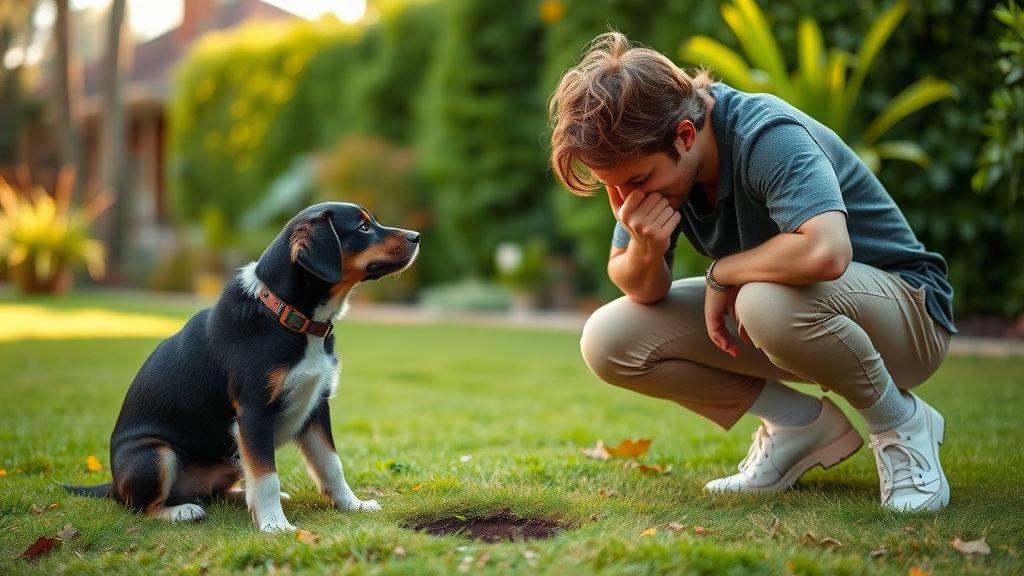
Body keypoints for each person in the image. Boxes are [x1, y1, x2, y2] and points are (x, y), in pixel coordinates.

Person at [548, 31, 955, 512]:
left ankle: (901, 423)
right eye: (611, 189)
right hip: (795, 316)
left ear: (684, 135)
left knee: (761, 300)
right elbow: (639, 285)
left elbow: (827, 252)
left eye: (637, 181)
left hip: (909, 317)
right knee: (608, 339)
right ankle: (798, 425)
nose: (626, 203)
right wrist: (644, 245)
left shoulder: (765, 134)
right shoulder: (649, 172)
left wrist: (724, 272)